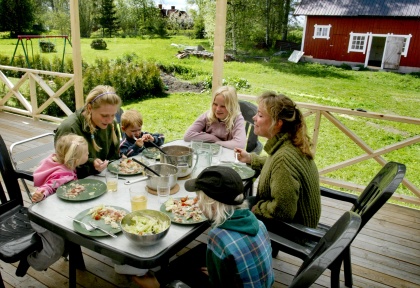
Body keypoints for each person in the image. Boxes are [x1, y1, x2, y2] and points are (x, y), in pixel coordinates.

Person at [150, 166, 274, 288]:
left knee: (184, 269)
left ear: (212, 205)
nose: (197, 202)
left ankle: (156, 283)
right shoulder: (259, 223)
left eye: (199, 198)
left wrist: (214, 276)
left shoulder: (218, 236)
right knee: (200, 251)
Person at [234, 91, 321, 236]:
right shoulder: (289, 144)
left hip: (295, 228)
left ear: (278, 123)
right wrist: (251, 158)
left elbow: (282, 210)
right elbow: (273, 164)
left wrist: (258, 208)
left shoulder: (283, 159)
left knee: (231, 212)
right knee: (239, 203)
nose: (254, 118)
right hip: (300, 218)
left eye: (260, 115)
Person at [27, 134, 89, 271]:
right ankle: (32, 262)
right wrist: (41, 194)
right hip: (44, 219)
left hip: (54, 212)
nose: (89, 154)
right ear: (75, 159)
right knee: (55, 250)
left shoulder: (58, 160)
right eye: (86, 153)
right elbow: (49, 187)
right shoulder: (62, 175)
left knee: (70, 239)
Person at [54, 85, 122, 178]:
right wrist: (91, 163)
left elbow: (113, 157)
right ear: (89, 108)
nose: (110, 120)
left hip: (104, 178)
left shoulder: (111, 124)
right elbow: (64, 166)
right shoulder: (69, 128)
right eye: (104, 115)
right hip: (76, 183)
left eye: (113, 115)